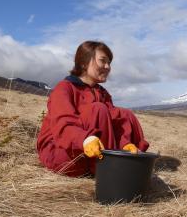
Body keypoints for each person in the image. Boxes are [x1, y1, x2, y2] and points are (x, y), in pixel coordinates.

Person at [36, 41, 149, 177]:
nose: (107, 67)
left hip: (92, 154)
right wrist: (85, 140)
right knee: (98, 109)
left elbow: (113, 124)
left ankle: (122, 162)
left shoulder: (103, 93)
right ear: (84, 63)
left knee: (125, 113)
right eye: (103, 61)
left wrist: (125, 144)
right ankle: (107, 171)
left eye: (109, 63)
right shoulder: (64, 88)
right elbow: (63, 123)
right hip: (61, 152)